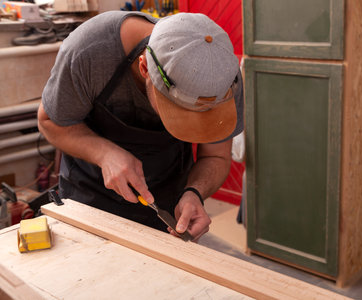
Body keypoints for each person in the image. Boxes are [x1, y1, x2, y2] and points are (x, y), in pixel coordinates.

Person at [37, 11, 243, 242]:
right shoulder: (91, 51)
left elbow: (216, 156)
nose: (190, 123)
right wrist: (104, 153)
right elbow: (49, 122)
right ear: (144, 68)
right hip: (88, 201)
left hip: (167, 205)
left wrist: (195, 193)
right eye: (178, 112)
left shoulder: (224, 79)